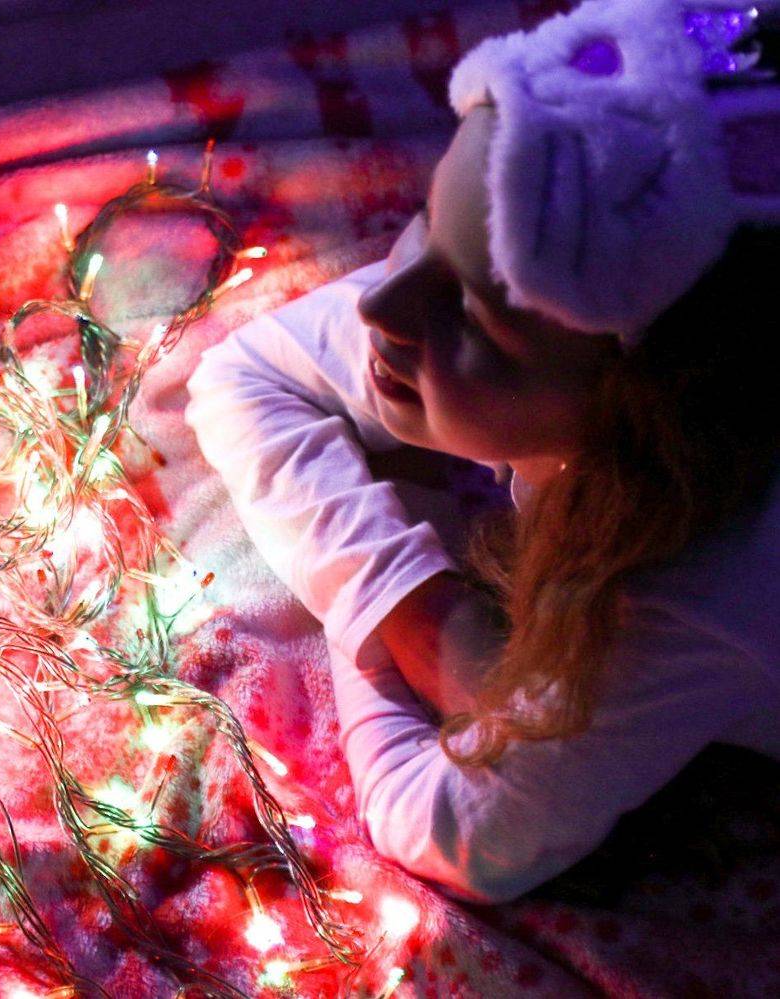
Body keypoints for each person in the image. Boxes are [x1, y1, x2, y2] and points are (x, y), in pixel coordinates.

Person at [186, 0, 780, 903]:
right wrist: (407, 602)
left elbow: (451, 835)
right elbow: (243, 374)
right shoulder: (555, 247)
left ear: (640, 418)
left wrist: (376, 595)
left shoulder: (694, 583)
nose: (382, 304)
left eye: (473, 316)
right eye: (432, 221)